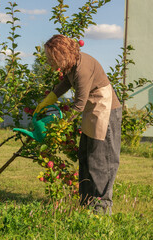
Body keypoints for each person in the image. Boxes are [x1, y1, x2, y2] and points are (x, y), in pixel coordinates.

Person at [35, 34, 122, 215]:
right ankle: (87, 203)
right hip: (93, 109)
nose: (50, 61)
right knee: (86, 157)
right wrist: (49, 99)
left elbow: (79, 104)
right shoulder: (72, 66)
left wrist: (59, 126)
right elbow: (66, 82)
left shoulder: (82, 69)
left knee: (101, 160)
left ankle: (102, 208)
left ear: (63, 55)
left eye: (52, 58)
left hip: (105, 110)